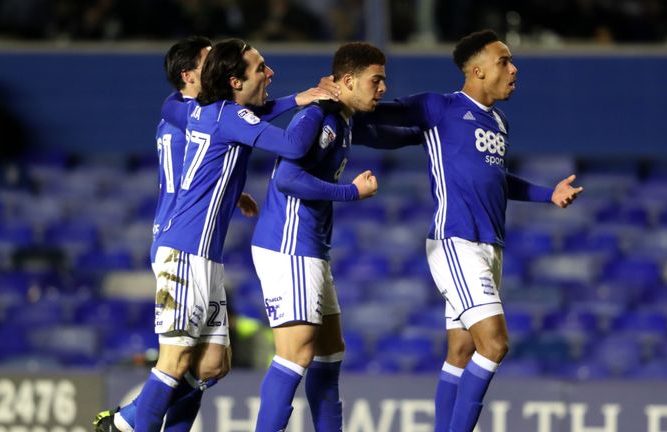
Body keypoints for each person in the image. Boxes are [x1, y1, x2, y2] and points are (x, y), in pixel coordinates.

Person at [93, 36, 339, 432]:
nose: (269, 73)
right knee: (173, 362)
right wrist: (321, 105)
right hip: (184, 249)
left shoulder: (195, 111)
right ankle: (126, 423)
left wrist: (298, 100)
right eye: (261, 67)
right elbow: (288, 144)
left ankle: (131, 419)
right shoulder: (219, 113)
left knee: (211, 365)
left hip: (202, 253)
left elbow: (237, 123)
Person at [353, 30, 583, 432]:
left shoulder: (498, 121)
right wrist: (339, 108)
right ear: (477, 70)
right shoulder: (438, 107)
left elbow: (495, 177)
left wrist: (549, 194)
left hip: (489, 246)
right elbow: (375, 114)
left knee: (460, 350)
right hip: (457, 241)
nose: (514, 69)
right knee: (494, 345)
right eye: (504, 61)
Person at [249, 42, 386, 432]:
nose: (381, 89)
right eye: (375, 81)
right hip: (289, 244)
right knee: (296, 354)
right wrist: (351, 193)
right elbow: (289, 178)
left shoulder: (343, 119)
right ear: (347, 81)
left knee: (329, 353)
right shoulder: (317, 115)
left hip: (311, 247)